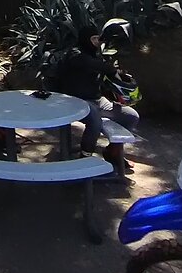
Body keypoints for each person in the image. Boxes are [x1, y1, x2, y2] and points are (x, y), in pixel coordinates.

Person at [60, 27, 140, 168]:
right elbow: (88, 63)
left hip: (97, 100)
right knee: (95, 120)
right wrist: (110, 69)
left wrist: (120, 80)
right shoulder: (75, 54)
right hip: (75, 102)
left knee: (131, 116)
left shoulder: (96, 55)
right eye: (94, 38)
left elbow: (104, 73)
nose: (98, 42)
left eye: (98, 38)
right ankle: (84, 158)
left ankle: (113, 152)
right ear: (86, 39)